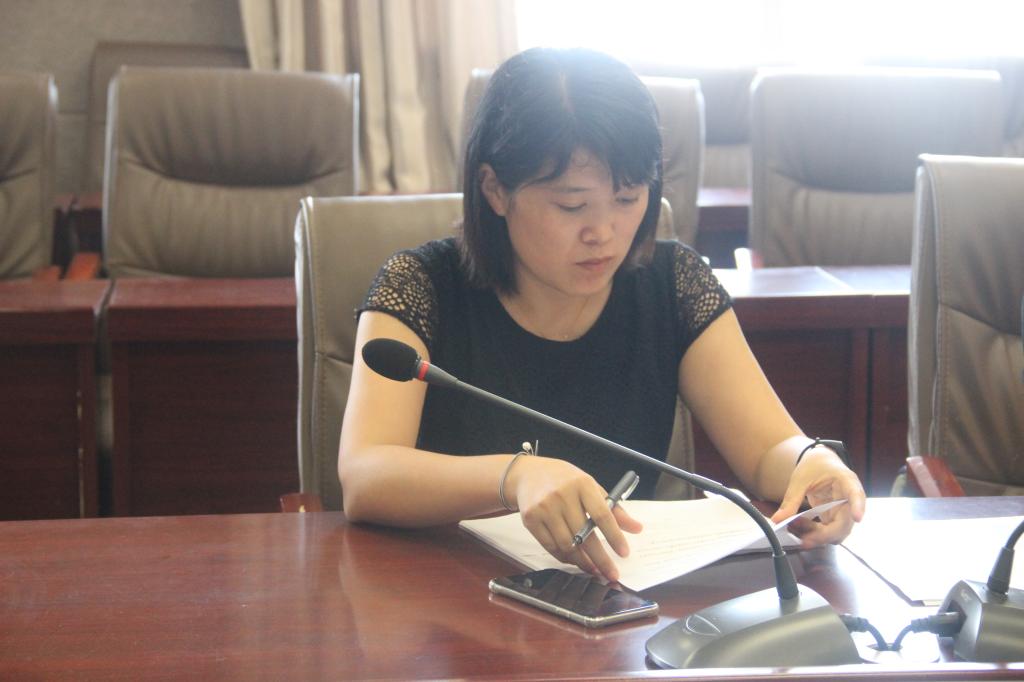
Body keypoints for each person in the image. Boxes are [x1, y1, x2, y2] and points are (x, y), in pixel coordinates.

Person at [339, 47, 866, 583]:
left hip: (622, 601)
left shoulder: (674, 284)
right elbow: (365, 473)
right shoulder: (420, 285)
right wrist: (515, 477)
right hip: (450, 598)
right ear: (495, 189)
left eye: (628, 198)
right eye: (572, 206)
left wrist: (812, 463)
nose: (604, 233)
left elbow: (769, 446)